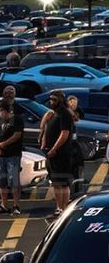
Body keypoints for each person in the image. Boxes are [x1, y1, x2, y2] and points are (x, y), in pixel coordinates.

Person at [44, 89, 80, 217]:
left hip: (61, 154)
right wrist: (44, 144)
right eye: (51, 99)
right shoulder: (53, 114)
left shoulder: (64, 114)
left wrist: (54, 149)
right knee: (55, 182)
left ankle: (63, 209)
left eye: (54, 99)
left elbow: (64, 134)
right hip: (51, 153)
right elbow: (46, 129)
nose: (52, 102)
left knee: (62, 182)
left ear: (61, 100)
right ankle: (59, 207)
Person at [0, 98, 25, 216]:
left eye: (0, 111)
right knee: (1, 180)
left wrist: (3, 144)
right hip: (0, 155)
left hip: (13, 155)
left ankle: (16, 206)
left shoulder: (16, 120)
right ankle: (3, 205)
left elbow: (17, 135)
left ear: (6, 111)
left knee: (13, 181)